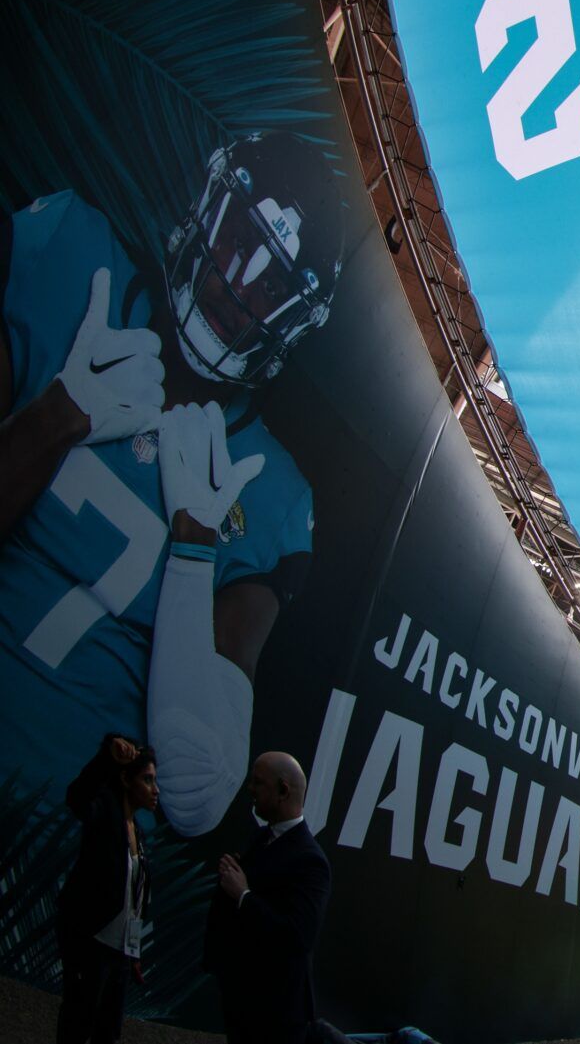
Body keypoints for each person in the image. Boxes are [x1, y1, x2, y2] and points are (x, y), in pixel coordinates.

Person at [0, 133, 344, 839]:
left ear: (294, 319)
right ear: (206, 209)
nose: (240, 286)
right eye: (240, 240)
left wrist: (194, 548)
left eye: (274, 282)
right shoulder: (74, 263)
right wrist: (54, 417)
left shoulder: (268, 492)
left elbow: (194, 791)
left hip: (60, 872)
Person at [204, 751, 332, 1044]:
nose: (250, 789)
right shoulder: (260, 839)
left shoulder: (310, 861)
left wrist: (244, 895)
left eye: (258, 783)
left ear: (283, 790)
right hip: (243, 1003)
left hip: (277, 1016)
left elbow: (299, 936)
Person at [55, 734, 157, 1044]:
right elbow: (77, 797)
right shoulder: (105, 811)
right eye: (147, 780)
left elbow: (136, 900)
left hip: (121, 955)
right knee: (78, 1025)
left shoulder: (138, 833)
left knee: (108, 1034)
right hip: (92, 943)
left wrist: (134, 951)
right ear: (126, 780)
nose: (155, 789)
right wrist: (106, 759)